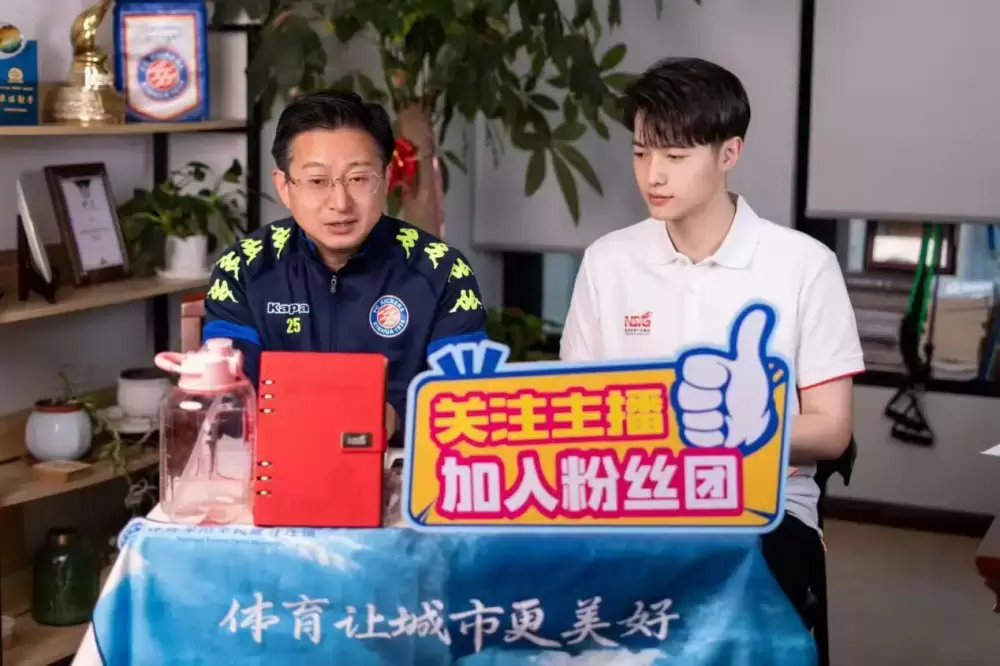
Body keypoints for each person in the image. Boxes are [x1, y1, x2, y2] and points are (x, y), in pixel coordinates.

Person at [559, 57, 864, 616]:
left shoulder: (803, 265)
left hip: (763, 505)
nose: (653, 175)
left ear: (729, 153)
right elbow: (576, 410)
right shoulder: (608, 261)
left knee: (716, 595)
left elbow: (831, 430)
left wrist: (719, 432)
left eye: (675, 157)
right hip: (628, 500)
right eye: (641, 153)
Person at [202, 90, 487, 444]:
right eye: (317, 181)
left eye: (359, 178)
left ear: (386, 178)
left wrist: (395, 418)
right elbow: (230, 402)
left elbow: (465, 401)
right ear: (284, 187)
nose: (340, 203)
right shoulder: (243, 268)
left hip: (402, 463)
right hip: (278, 461)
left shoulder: (442, 270)